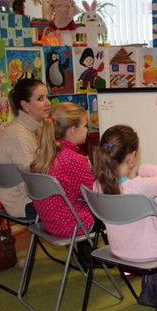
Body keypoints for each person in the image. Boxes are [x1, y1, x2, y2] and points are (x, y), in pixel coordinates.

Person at [92, 125, 157, 310]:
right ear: (131, 157)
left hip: (118, 249)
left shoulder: (97, 186)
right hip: (149, 251)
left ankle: (150, 292)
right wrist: (138, 169)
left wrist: (130, 169)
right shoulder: (137, 186)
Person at [30, 102, 94, 238]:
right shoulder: (73, 159)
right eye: (85, 126)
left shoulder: (46, 155)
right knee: (113, 214)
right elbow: (92, 196)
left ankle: (87, 252)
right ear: (73, 131)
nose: (87, 130)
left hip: (51, 223)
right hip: (75, 225)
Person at [0, 78, 51, 219]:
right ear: (25, 105)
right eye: (40, 98)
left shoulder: (30, 129)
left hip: (31, 198)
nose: (48, 103)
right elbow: (31, 185)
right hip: (24, 203)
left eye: (47, 97)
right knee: (83, 205)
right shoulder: (19, 135)